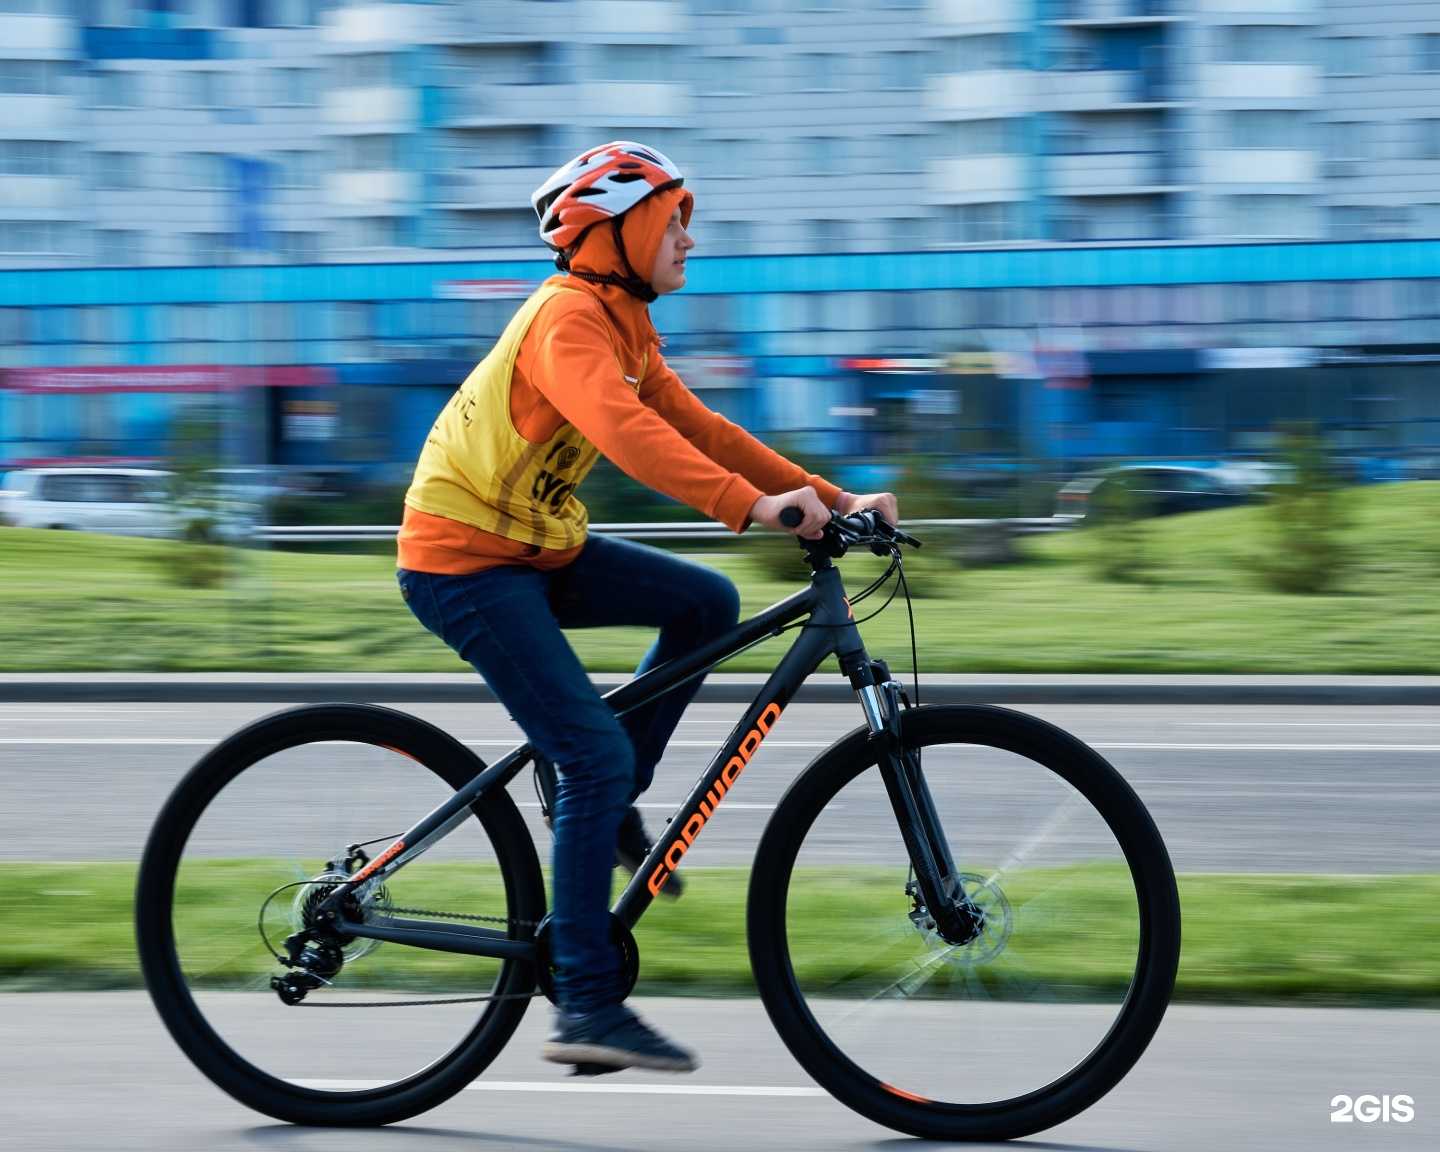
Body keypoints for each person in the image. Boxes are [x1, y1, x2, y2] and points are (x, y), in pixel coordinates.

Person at [395, 141, 898, 1074]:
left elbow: (698, 426)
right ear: (614, 229)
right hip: (463, 562)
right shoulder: (566, 321)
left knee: (705, 601)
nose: (689, 241)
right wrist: (747, 507)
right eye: (675, 223)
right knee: (590, 752)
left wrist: (827, 498)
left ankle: (607, 795)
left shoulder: (624, 323)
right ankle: (584, 1003)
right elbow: (626, 434)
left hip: (537, 548)